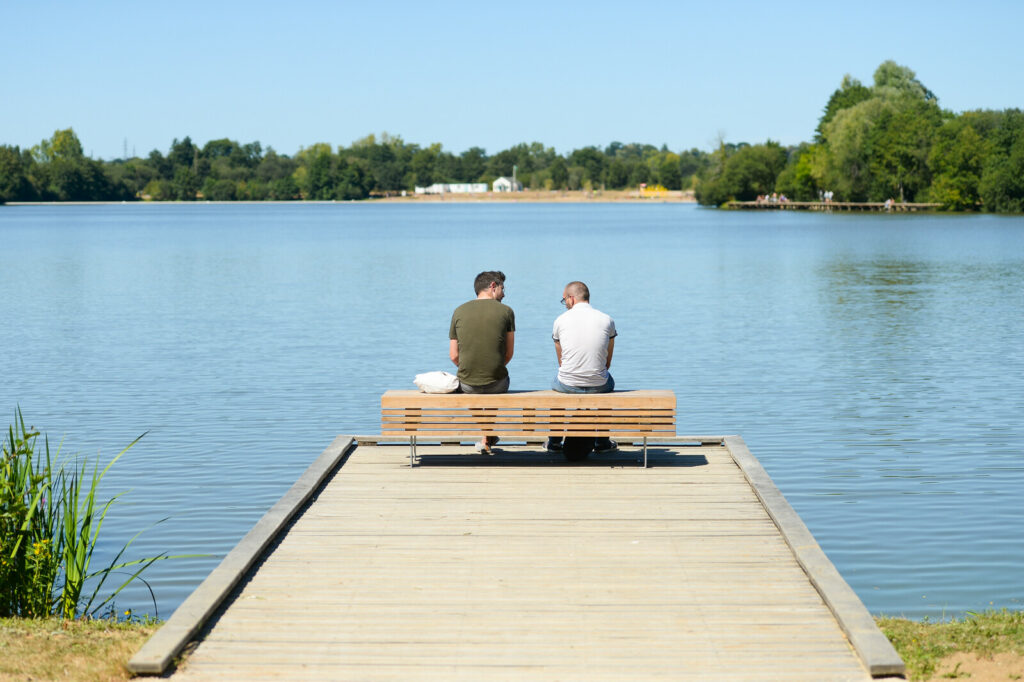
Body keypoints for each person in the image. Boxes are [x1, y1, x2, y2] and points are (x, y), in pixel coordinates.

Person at [545, 281, 617, 454]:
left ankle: (554, 442)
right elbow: (607, 362)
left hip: (567, 383)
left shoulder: (560, 321)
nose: (565, 305)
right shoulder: (607, 320)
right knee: (608, 382)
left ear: (571, 298)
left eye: (564, 301)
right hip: (598, 383)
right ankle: (602, 442)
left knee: (556, 388)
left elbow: (561, 361)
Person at [449, 271, 515, 453]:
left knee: (470, 384)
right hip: (498, 383)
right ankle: (488, 434)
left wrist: (472, 368)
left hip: (468, 384)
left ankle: (487, 435)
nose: (504, 294)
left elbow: (454, 356)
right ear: (493, 286)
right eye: (502, 288)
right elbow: (509, 354)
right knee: (495, 380)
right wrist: (492, 367)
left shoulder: (459, 311)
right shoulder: (507, 311)